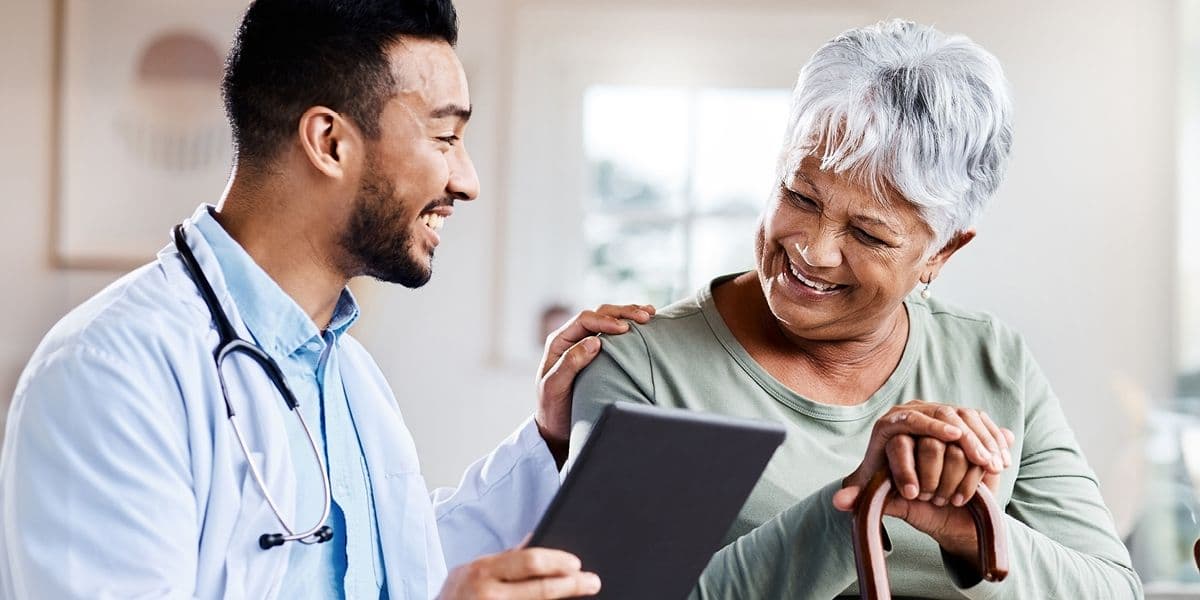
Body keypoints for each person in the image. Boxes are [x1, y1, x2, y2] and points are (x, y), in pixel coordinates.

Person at [0, 1, 658, 598]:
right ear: (330, 142)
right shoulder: (109, 372)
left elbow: (400, 572)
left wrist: (548, 437)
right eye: (446, 137)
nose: (468, 181)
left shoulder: (346, 374)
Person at [570, 19, 1142, 598]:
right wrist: (855, 505)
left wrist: (970, 533)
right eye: (800, 196)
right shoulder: (641, 365)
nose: (812, 251)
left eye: (868, 235)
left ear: (941, 252)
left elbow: (1113, 590)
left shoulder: (993, 359)